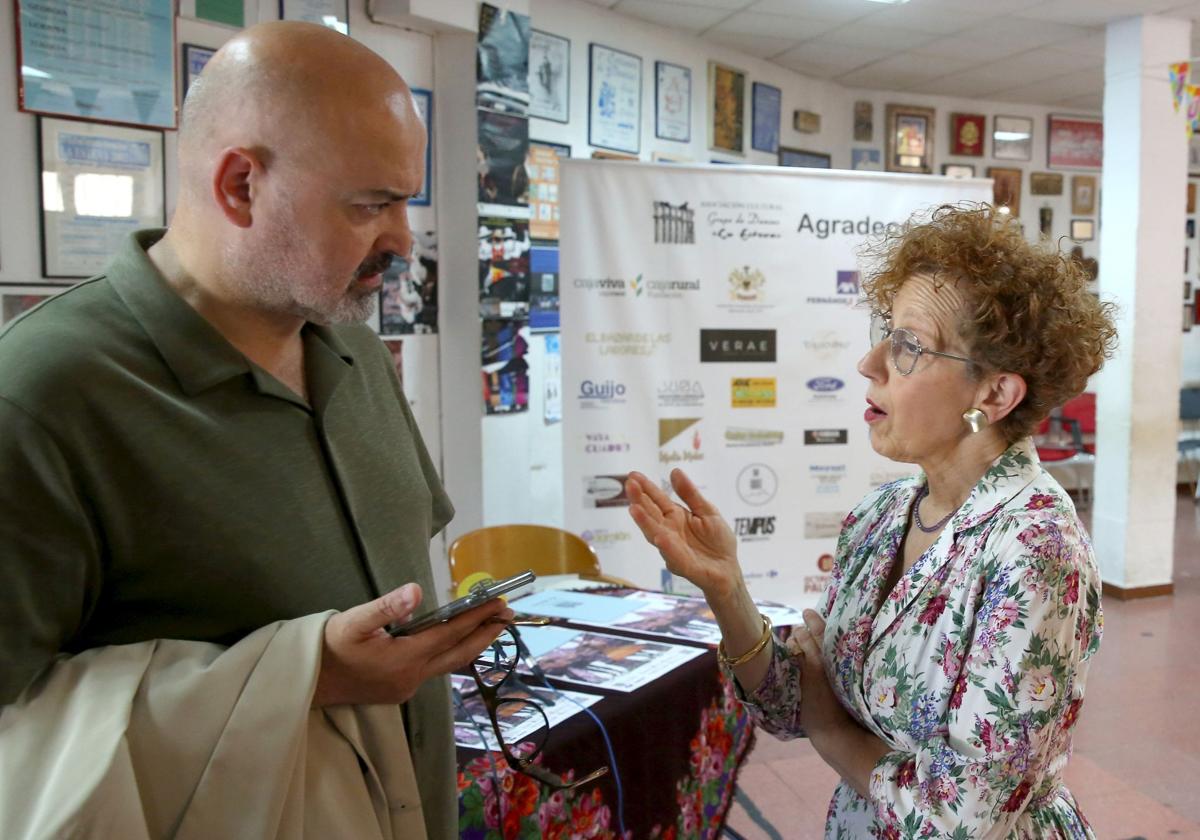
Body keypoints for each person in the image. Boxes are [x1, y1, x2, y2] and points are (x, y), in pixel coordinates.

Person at [0, 22, 512, 840]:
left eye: (406, 202)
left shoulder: (352, 348)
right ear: (240, 185)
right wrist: (305, 676)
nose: (403, 240)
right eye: (371, 204)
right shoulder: (42, 394)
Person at [626, 204, 1117, 838]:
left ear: (993, 396)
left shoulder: (1036, 550)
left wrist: (834, 732)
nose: (869, 362)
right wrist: (727, 589)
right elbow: (792, 702)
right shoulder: (881, 515)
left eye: (909, 345)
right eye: (888, 331)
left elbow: (960, 819)